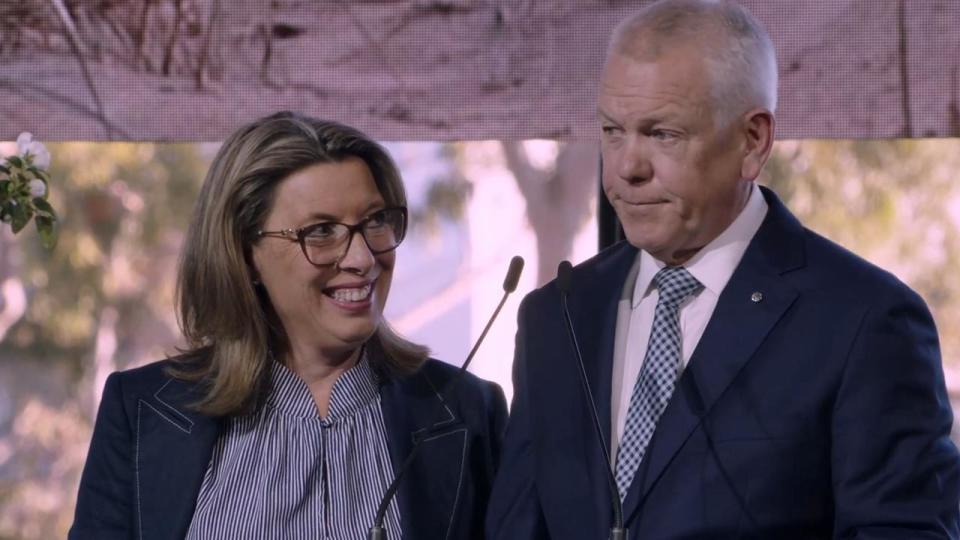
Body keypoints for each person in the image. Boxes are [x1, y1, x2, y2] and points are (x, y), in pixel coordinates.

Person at [486, 0, 960, 538]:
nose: (626, 167)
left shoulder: (866, 322)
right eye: (613, 131)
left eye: (662, 134)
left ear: (752, 142)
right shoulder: (558, 316)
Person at [70, 112, 507, 539]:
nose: (362, 259)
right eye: (320, 231)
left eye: (375, 221)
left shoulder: (469, 411)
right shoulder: (140, 412)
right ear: (245, 253)